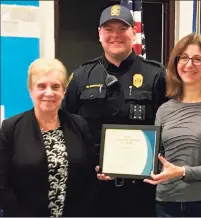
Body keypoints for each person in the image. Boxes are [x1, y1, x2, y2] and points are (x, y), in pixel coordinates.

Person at [61, 4, 167, 217]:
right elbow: (65, 125)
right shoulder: (82, 76)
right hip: (92, 185)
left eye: (122, 28)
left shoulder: (156, 75)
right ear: (99, 34)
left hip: (141, 187)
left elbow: (168, 127)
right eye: (109, 29)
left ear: (134, 32)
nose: (115, 35)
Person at [139, 33, 201, 217]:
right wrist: (117, 169)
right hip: (167, 204)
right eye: (183, 58)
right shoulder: (164, 110)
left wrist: (182, 172)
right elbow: (154, 161)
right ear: (176, 64)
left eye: (197, 59)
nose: (189, 64)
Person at [0, 58, 96, 217]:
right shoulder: (11, 128)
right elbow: (2, 184)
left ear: (64, 91)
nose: (49, 93)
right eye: (41, 86)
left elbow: (89, 176)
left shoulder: (79, 125)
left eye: (56, 86)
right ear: (30, 89)